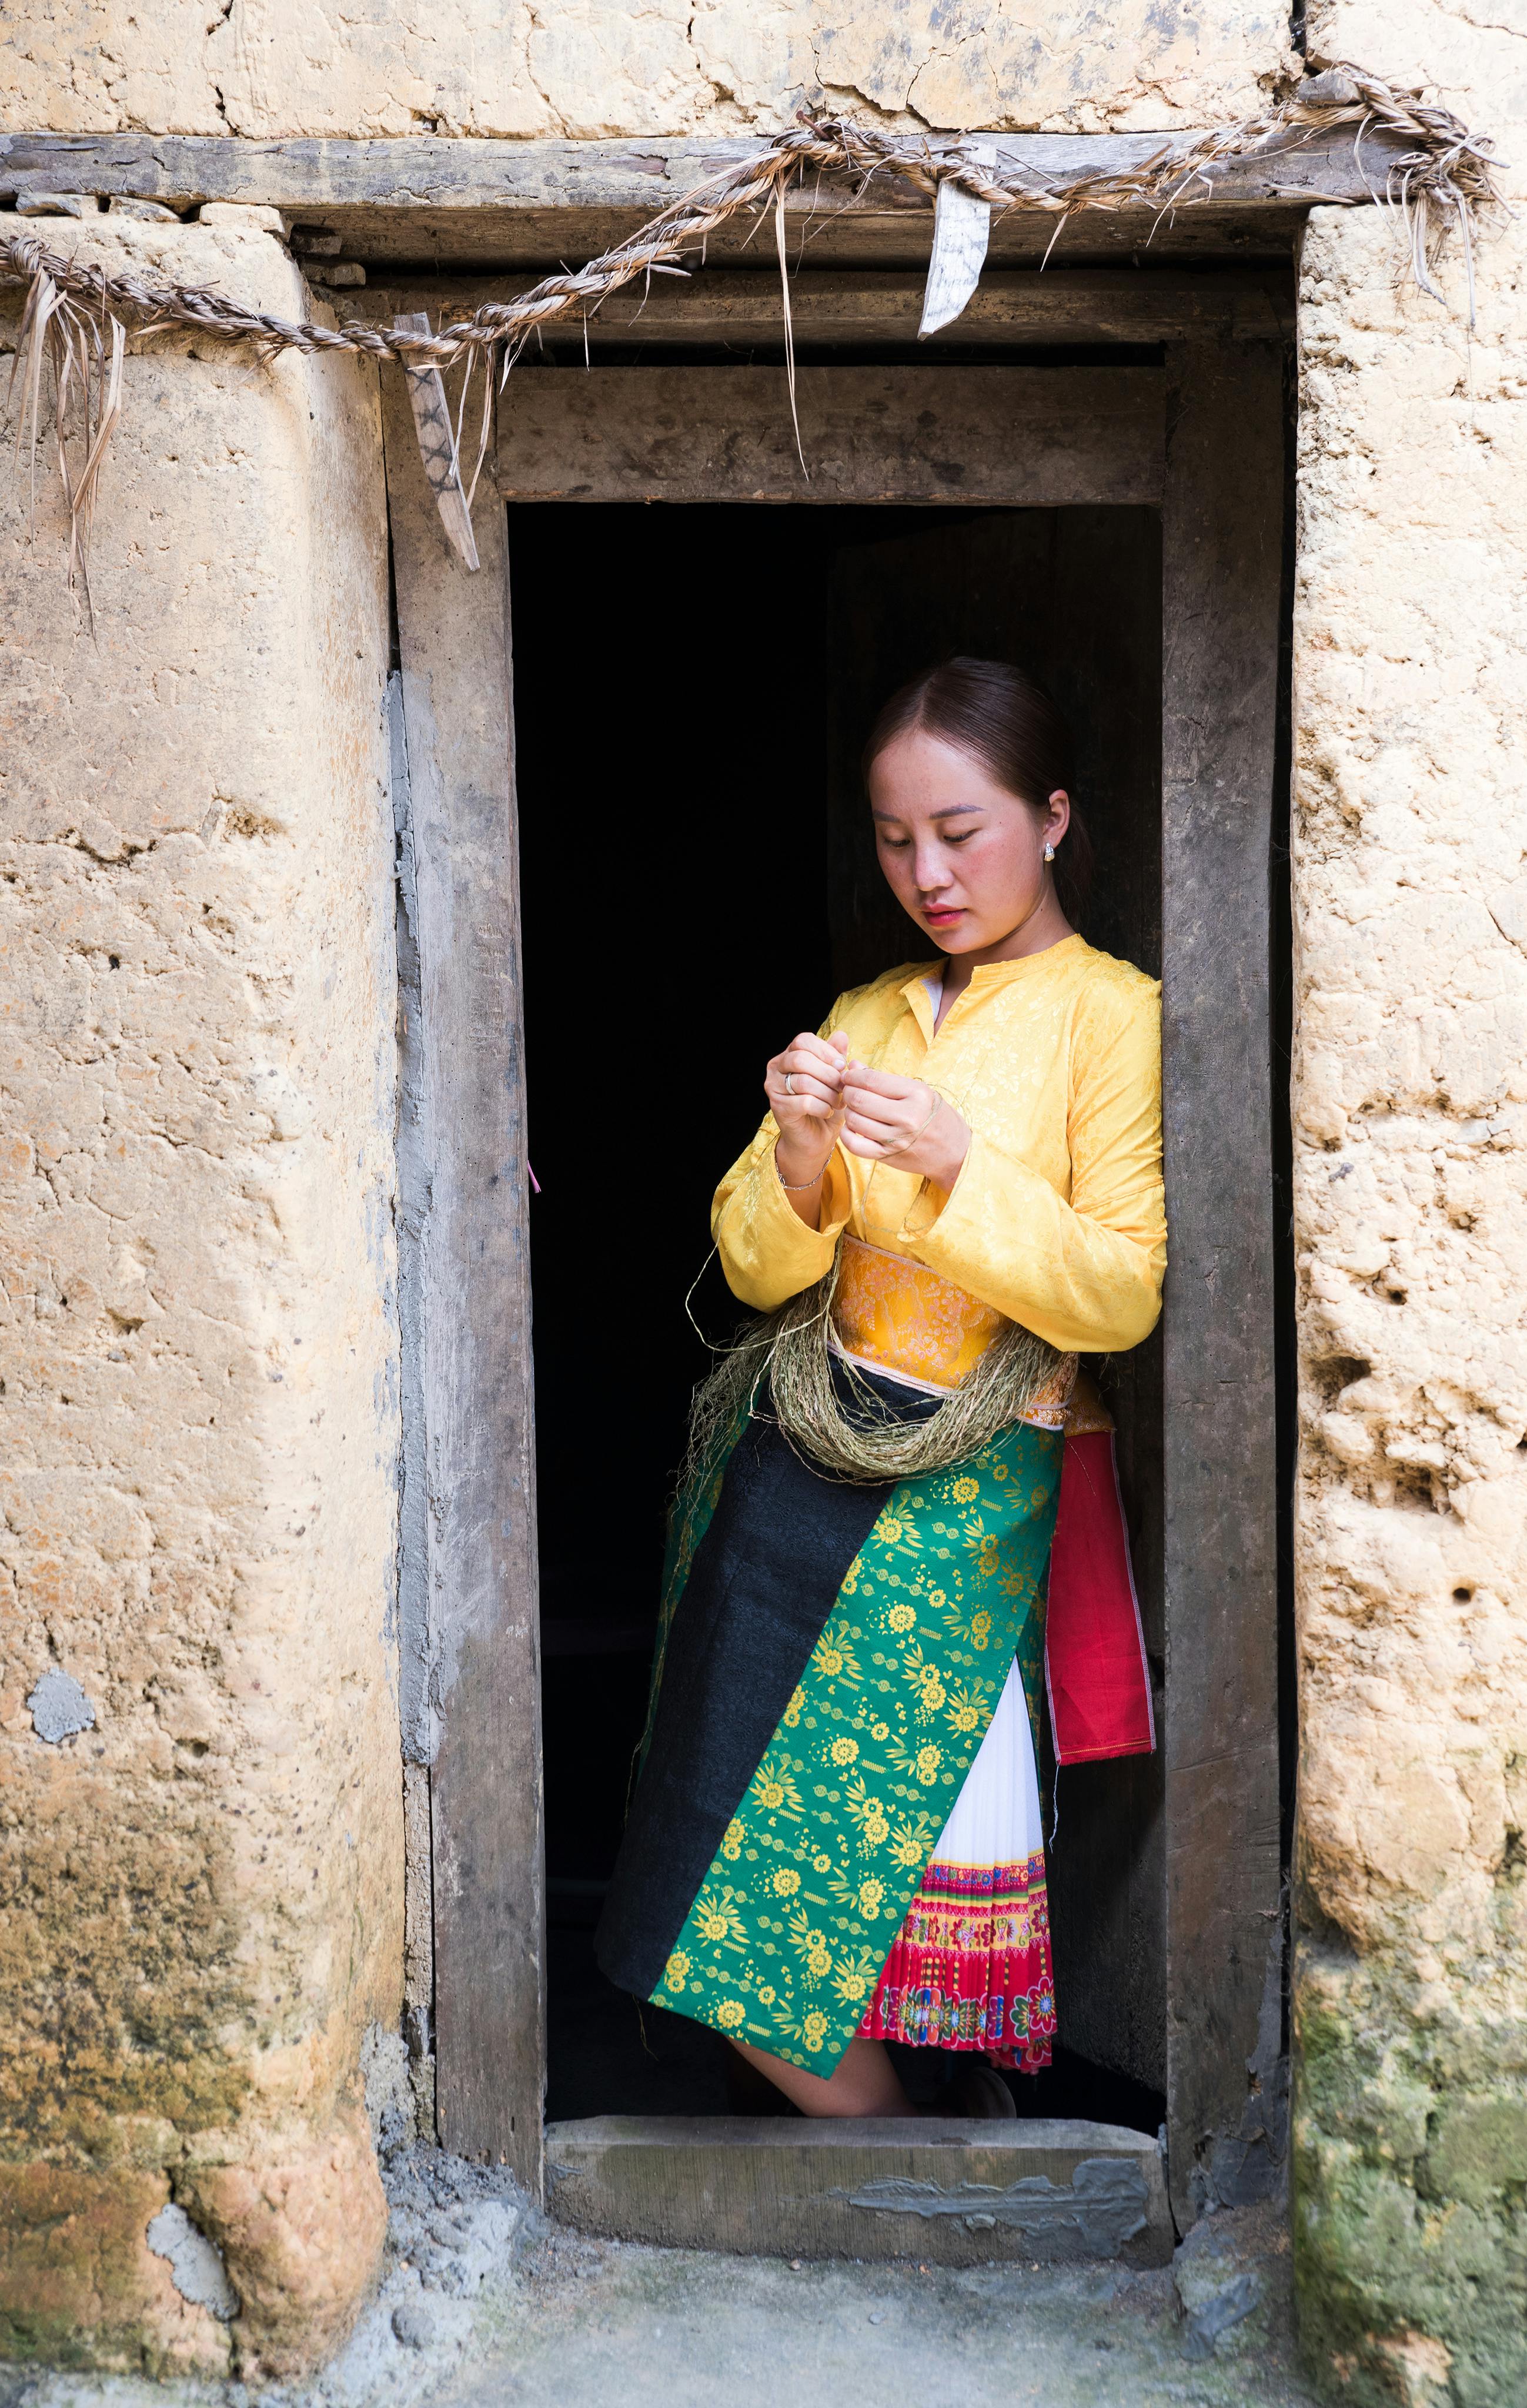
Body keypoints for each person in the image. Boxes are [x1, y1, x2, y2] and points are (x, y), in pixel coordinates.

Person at [596, 657, 1165, 2118]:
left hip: (963, 1499)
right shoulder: (864, 1009)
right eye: (896, 835)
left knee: (857, 1862)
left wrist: (961, 1166)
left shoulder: (1112, 1017)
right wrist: (798, 1163)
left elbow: (1121, 1290)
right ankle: (884, 2160)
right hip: (799, 1467)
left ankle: (925, 2159)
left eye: (962, 830)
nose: (928, 870)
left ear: (1051, 819)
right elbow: (753, 1265)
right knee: (717, 1888)